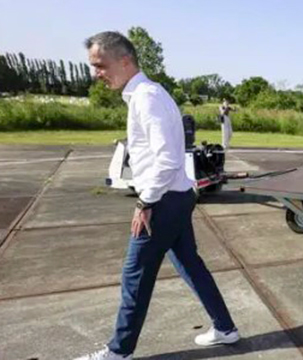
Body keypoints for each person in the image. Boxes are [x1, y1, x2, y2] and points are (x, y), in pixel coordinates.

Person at [74, 31, 239, 360]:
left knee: (135, 275)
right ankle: (225, 328)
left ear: (125, 61)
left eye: (100, 65)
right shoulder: (145, 94)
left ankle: (118, 352)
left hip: (163, 201)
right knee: (190, 265)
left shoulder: (146, 97)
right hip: (174, 197)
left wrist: (145, 201)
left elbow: (167, 159)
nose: (96, 74)